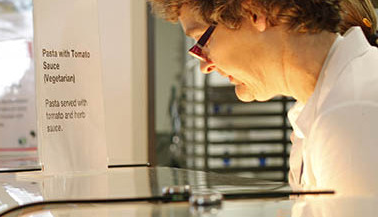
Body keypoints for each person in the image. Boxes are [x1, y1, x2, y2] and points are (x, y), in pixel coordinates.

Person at [149, 0, 378, 197]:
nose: (204, 66)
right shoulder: (318, 107)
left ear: (255, 11)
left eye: (202, 40)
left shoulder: (351, 113)